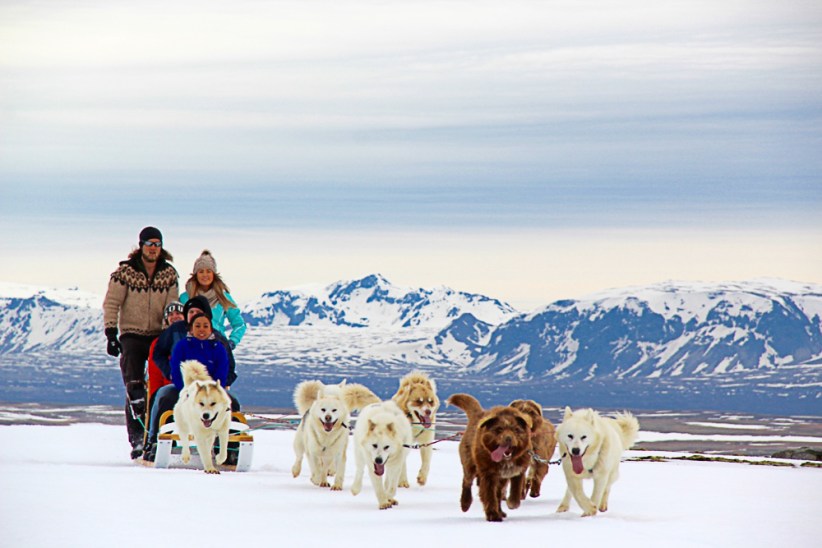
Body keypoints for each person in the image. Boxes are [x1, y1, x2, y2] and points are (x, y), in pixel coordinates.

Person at [103, 226, 179, 459]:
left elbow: (172, 305)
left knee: (161, 387)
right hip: (132, 334)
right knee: (134, 388)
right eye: (149, 244)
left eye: (157, 244)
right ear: (141, 246)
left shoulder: (169, 274)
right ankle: (137, 439)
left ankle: (157, 435)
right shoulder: (124, 273)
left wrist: (171, 335)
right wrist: (111, 333)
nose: (154, 249)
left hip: (159, 333)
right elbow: (112, 302)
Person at [144, 296, 239, 462]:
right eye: (192, 314)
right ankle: (154, 441)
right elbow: (175, 366)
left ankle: (230, 447)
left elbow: (226, 368)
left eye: (202, 320)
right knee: (164, 397)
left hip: (211, 391)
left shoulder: (219, 343)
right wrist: (183, 388)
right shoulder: (182, 342)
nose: (201, 327)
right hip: (183, 388)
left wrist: (218, 388)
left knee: (233, 404)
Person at [179, 250, 246, 350]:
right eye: (201, 271)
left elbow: (240, 324)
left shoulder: (223, 297)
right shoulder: (185, 298)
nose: (205, 275)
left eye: (208, 271)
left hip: (217, 348)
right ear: (195, 274)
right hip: (191, 349)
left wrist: (232, 342)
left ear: (214, 274)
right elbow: (177, 323)